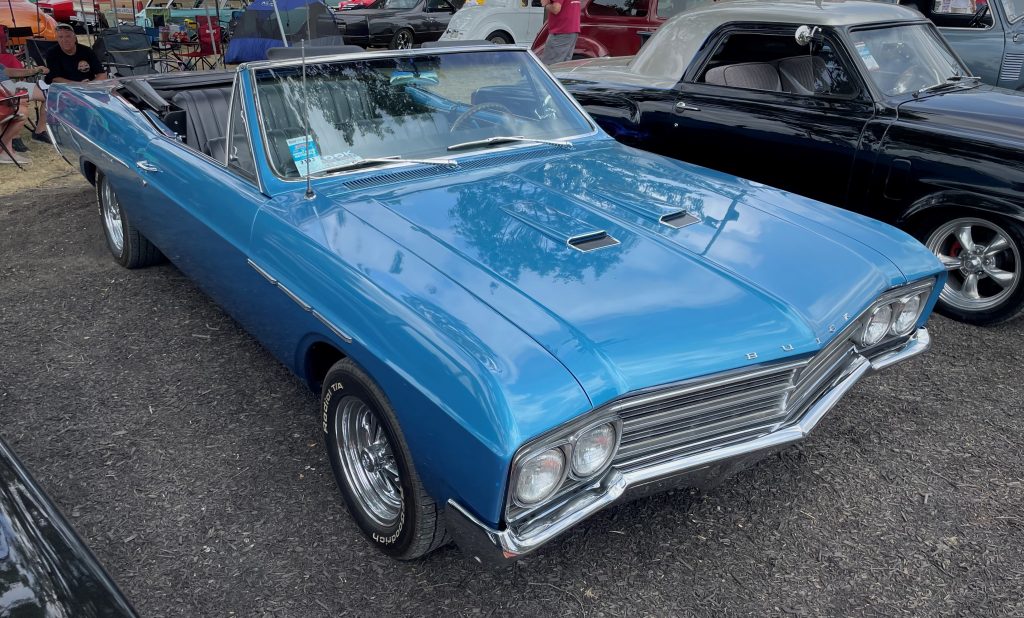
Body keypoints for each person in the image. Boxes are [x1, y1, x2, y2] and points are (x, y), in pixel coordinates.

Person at [0, 52, 51, 145]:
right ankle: (12, 137)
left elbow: (7, 71)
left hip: (10, 85)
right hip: (2, 91)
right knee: (14, 100)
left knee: (49, 94)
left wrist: (34, 70)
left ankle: (40, 131)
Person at [539, 0, 581, 65]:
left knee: (549, 66)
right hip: (572, 30)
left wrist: (546, 5)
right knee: (563, 66)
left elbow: (556, 9)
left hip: (561, 31)